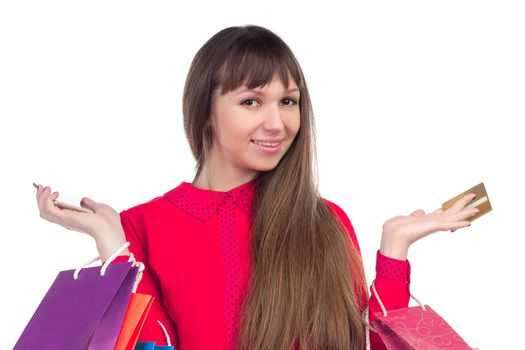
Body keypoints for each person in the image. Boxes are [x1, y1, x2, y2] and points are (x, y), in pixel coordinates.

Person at [35, 25, 479, 350]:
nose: (276, 122)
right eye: (252, 101)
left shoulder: (323, 221)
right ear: (205, 111)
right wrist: (113, 248)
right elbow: (151, 345)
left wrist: (394, 253)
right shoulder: (140, 227)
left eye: (288, 101)